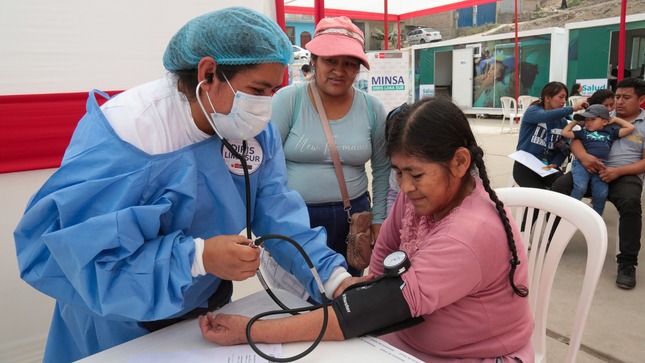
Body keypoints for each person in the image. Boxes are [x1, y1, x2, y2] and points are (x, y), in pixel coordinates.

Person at [12, 8, 361, 362]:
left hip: (202, 309)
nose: (265, 106)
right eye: (257, 90)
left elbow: (277, 209)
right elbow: (81, 255)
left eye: (274, 90)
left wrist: (333, 278)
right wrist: (198, 257)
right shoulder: (130, 133)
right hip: (119, 321)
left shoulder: (251, 130)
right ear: (208, 73)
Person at [199, 98, 534, 362]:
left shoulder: (470, 234)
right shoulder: (420, 199)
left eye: (416, 175)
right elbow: (381, 263)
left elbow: (370, 310)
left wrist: (252, 331)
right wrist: (364, 295)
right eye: (398, 173)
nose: (405, 187)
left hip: (469, 356)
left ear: (460, 163)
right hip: (401, 342)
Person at [271, 16, 389, 276]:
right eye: (330, 61)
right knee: (300, 296)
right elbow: (266, 166)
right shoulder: (288, 100)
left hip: (354, 220)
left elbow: (383, 169)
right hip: (298, 220)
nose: (339, 71)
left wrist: (379, 218)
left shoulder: (372, 108)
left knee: (346, 297)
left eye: (349, 63)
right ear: (313, 60)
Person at [552, 77, 645, 290]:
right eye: (618, 96)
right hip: (589, 167)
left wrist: (618, 171)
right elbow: (576, 139)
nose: (619, 102)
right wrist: (584, 158)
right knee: (559, 188)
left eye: (626, 97)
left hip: (624, 174)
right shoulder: (602, 116)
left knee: (631, 203)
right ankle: (553, 239)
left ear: (641, 99)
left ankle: (627, 263)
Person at [560, 104, 634, 215]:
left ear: (604, 122)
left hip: (601, 166)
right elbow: (564, 133)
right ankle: (569, 213)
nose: (588, 122)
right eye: (586, 120)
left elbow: (630, 128)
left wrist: (615, 119)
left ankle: (596, 218)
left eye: (593, 119)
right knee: (580, 187)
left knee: (602, 193)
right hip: (582, 164)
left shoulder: (610, 132)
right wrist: (575, 122)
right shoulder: (583, 132)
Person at [513, 81, 588, 189]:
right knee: (542, 196)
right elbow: (546, 116)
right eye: (560, 97)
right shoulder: (533, 111)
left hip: (547, 168)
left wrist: (555, 163)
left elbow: (563, 148)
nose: (563, 101)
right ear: (547, 98)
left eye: (565, 98)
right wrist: (572, 108)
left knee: (565, 188)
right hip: (525, 166)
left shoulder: (562, 122)